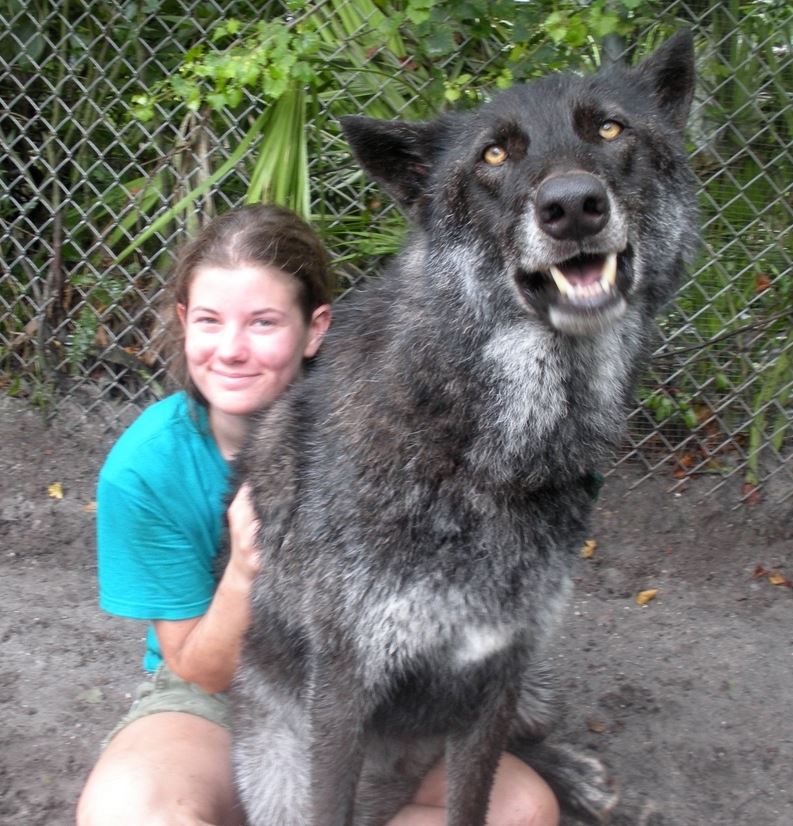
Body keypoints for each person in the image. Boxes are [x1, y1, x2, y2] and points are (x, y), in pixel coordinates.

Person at [77, 203, 560, 826]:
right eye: (209, 320)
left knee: (523, 813)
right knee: (127, 815)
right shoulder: (146, 467)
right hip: (225, 694)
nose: (231, 349)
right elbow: (198, 667)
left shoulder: (380, 422)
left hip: (384, 699)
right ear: (183, 324)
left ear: (315, 329)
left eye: (263, 322)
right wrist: (248, 565)